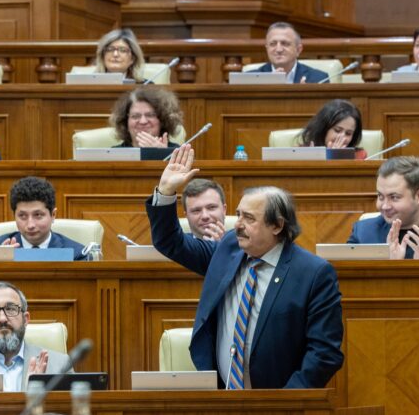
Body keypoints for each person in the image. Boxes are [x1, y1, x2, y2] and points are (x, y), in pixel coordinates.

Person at [146, 144, 344, 389]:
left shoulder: (313, 273)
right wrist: (165, 191)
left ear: (277, 226)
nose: (237, 225)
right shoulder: (229, 248)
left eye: (248, 218)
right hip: (222, 396)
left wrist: (290, 402)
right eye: (238, 214)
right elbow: (170, 243)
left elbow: (324, 353)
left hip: (280, 404)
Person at [0, 176, 87, 260]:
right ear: (14, 215)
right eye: (22, 216)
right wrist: (0, 264)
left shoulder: (77, 254)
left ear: (53, 215)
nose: (30, 225)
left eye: (38, 215)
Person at [246, 22, 328, 84]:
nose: (278, 49)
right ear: (267, 48)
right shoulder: (250, 79)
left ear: (298, 50)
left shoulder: (318, 78)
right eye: (273, 44)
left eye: (285, 44)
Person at [108, 87, 183, 148]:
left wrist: (162, 154)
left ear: (163, 120)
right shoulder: (113, 155)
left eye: (150, 115)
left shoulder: (178, 154)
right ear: (125, 121)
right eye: (135, 116)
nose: (143, 121)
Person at [298, 99, 367, 159]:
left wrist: (337, 157)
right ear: (324, 128)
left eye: (348, 133)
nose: (342, 137)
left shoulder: (359, 155)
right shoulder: (301, 152)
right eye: (337, 130)